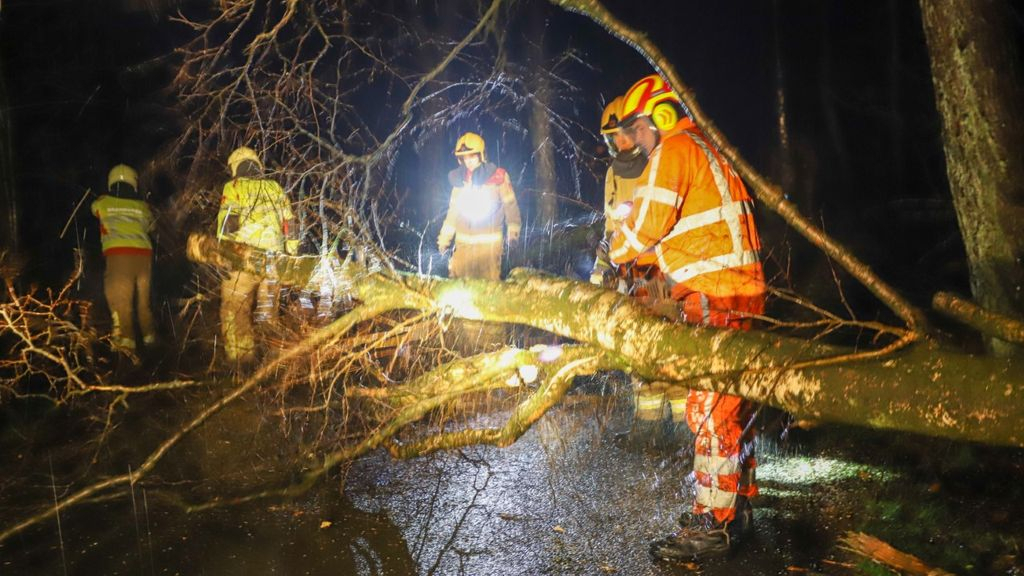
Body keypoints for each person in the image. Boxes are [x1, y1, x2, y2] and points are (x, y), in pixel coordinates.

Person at [607, 74, 767, 560]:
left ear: (659, 117)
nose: (636, 140)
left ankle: (712, 524)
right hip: (736, 287)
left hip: (718, 290)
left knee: (708, 409)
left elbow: (649, 226)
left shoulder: (674, 149)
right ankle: (736, 505)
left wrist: (618, 247)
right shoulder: (706, 147)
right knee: (732, 404)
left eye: (638, 129)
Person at [216, 146, 299, 365]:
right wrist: (290, 253)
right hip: (274, 263)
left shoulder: (233, 187)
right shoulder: (275, 187)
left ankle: (242, 366)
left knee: (235, 310)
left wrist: (224, 255)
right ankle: (273, 367)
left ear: (235, 167)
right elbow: (290, 223)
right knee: (268, 316)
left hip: (244, 259)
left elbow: (228, 223)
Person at [92, 164, 158, 355]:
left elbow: (94, 209)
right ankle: (151, 343)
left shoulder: (104, 202)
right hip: (144, 257)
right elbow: (152, 226)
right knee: (143, 303)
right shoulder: (143, 206)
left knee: (120, 300)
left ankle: (125, 349)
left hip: (119, 256)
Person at [437, 132, 521, 281]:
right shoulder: (459, 180)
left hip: (488, 248)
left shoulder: (498, 177)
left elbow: (510, 205)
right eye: (465, 157)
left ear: (481, 155)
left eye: (472, 156)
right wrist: (444, 239)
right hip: (463, 247)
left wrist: (513, 233)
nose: (468, 161)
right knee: (459, 287)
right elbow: (453, 213)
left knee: (487, 289)